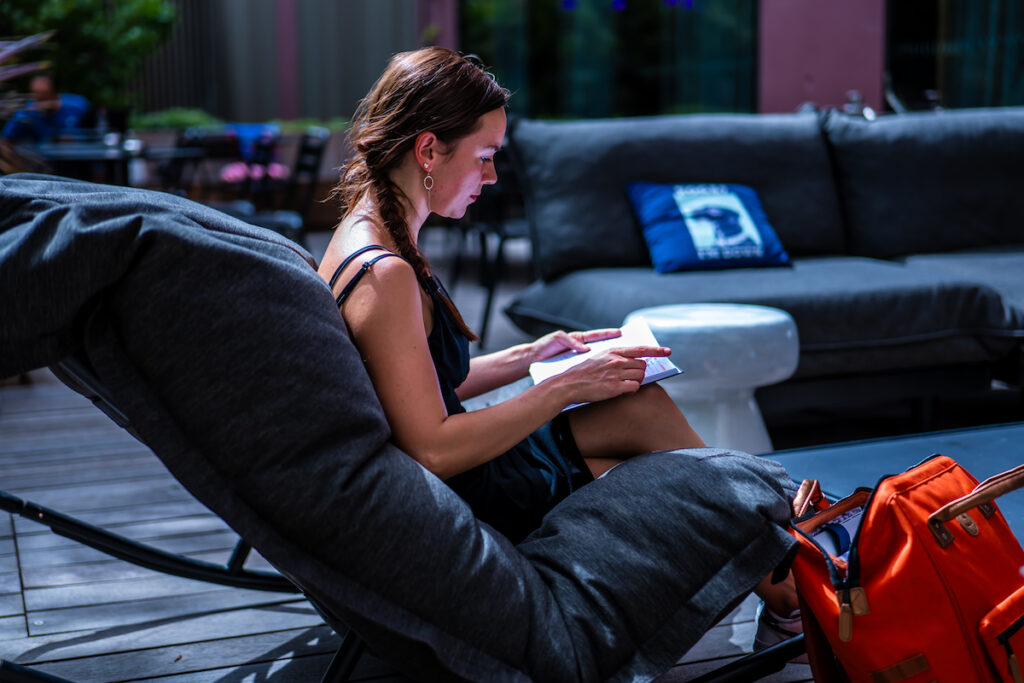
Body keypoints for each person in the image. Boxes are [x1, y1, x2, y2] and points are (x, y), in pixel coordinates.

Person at [318, 46, 801, 648]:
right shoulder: (386, 272)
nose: (493, 177)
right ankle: (796, 586)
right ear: (427, 150)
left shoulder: (367, 234)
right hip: (462, 491)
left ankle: (785, 585)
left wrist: (535, 355)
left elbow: (421, 384)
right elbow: (433, 449)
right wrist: (568, 386)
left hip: (457, 475)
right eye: (487, 156)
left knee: (637, 425)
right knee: (640, 428)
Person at [1, 74, 91, 144]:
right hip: (43, 164)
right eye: (35, 94)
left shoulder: (76, 107)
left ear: (56, 93)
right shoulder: (27, 113)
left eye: (44, 95)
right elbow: (6, 141)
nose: (39, 100)